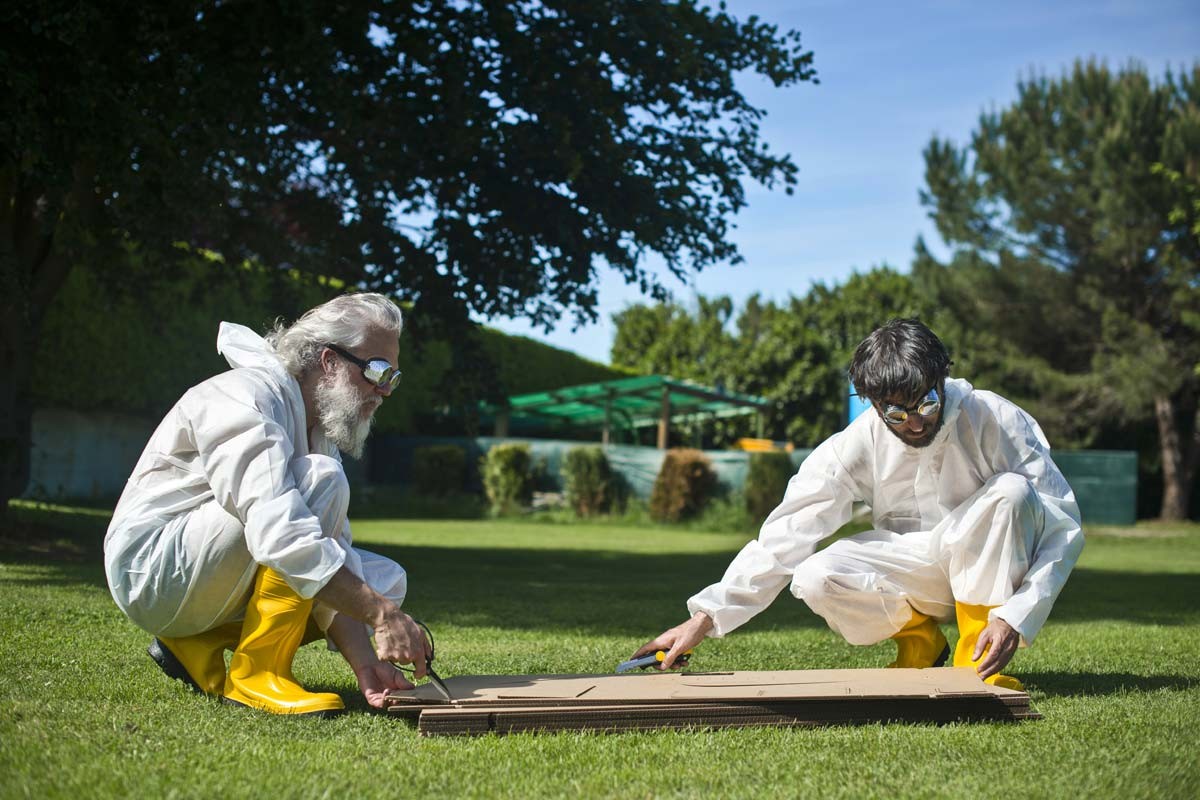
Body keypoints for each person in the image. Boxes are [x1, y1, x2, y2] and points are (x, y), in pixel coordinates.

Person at [633, 318, 1084, 689]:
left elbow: (1061, 524)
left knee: (1010, 492)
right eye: (895, 412)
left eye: (926, 403)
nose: (913, 423)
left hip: (995, 569)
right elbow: (784, 537)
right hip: (915, 574)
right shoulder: (854, 443)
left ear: (943, 376)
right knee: (814, 576)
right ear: (870, 402)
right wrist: (704, 618)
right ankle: (920, 643)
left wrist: (1015, 615)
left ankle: (976, 662)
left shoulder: (994, 417)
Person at [104, 292, 430, 715]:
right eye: (378, 370)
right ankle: (258, 672)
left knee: (384, 580)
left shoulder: (317, 429)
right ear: (329, 361)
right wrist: (381, 616)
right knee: (323, 496)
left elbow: (328, 550)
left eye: (392, 377)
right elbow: (278, 528)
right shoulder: (247, 395)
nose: (383, 391)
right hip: (153, 572)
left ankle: (197, 643)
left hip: (203, 574)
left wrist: (366, 663)